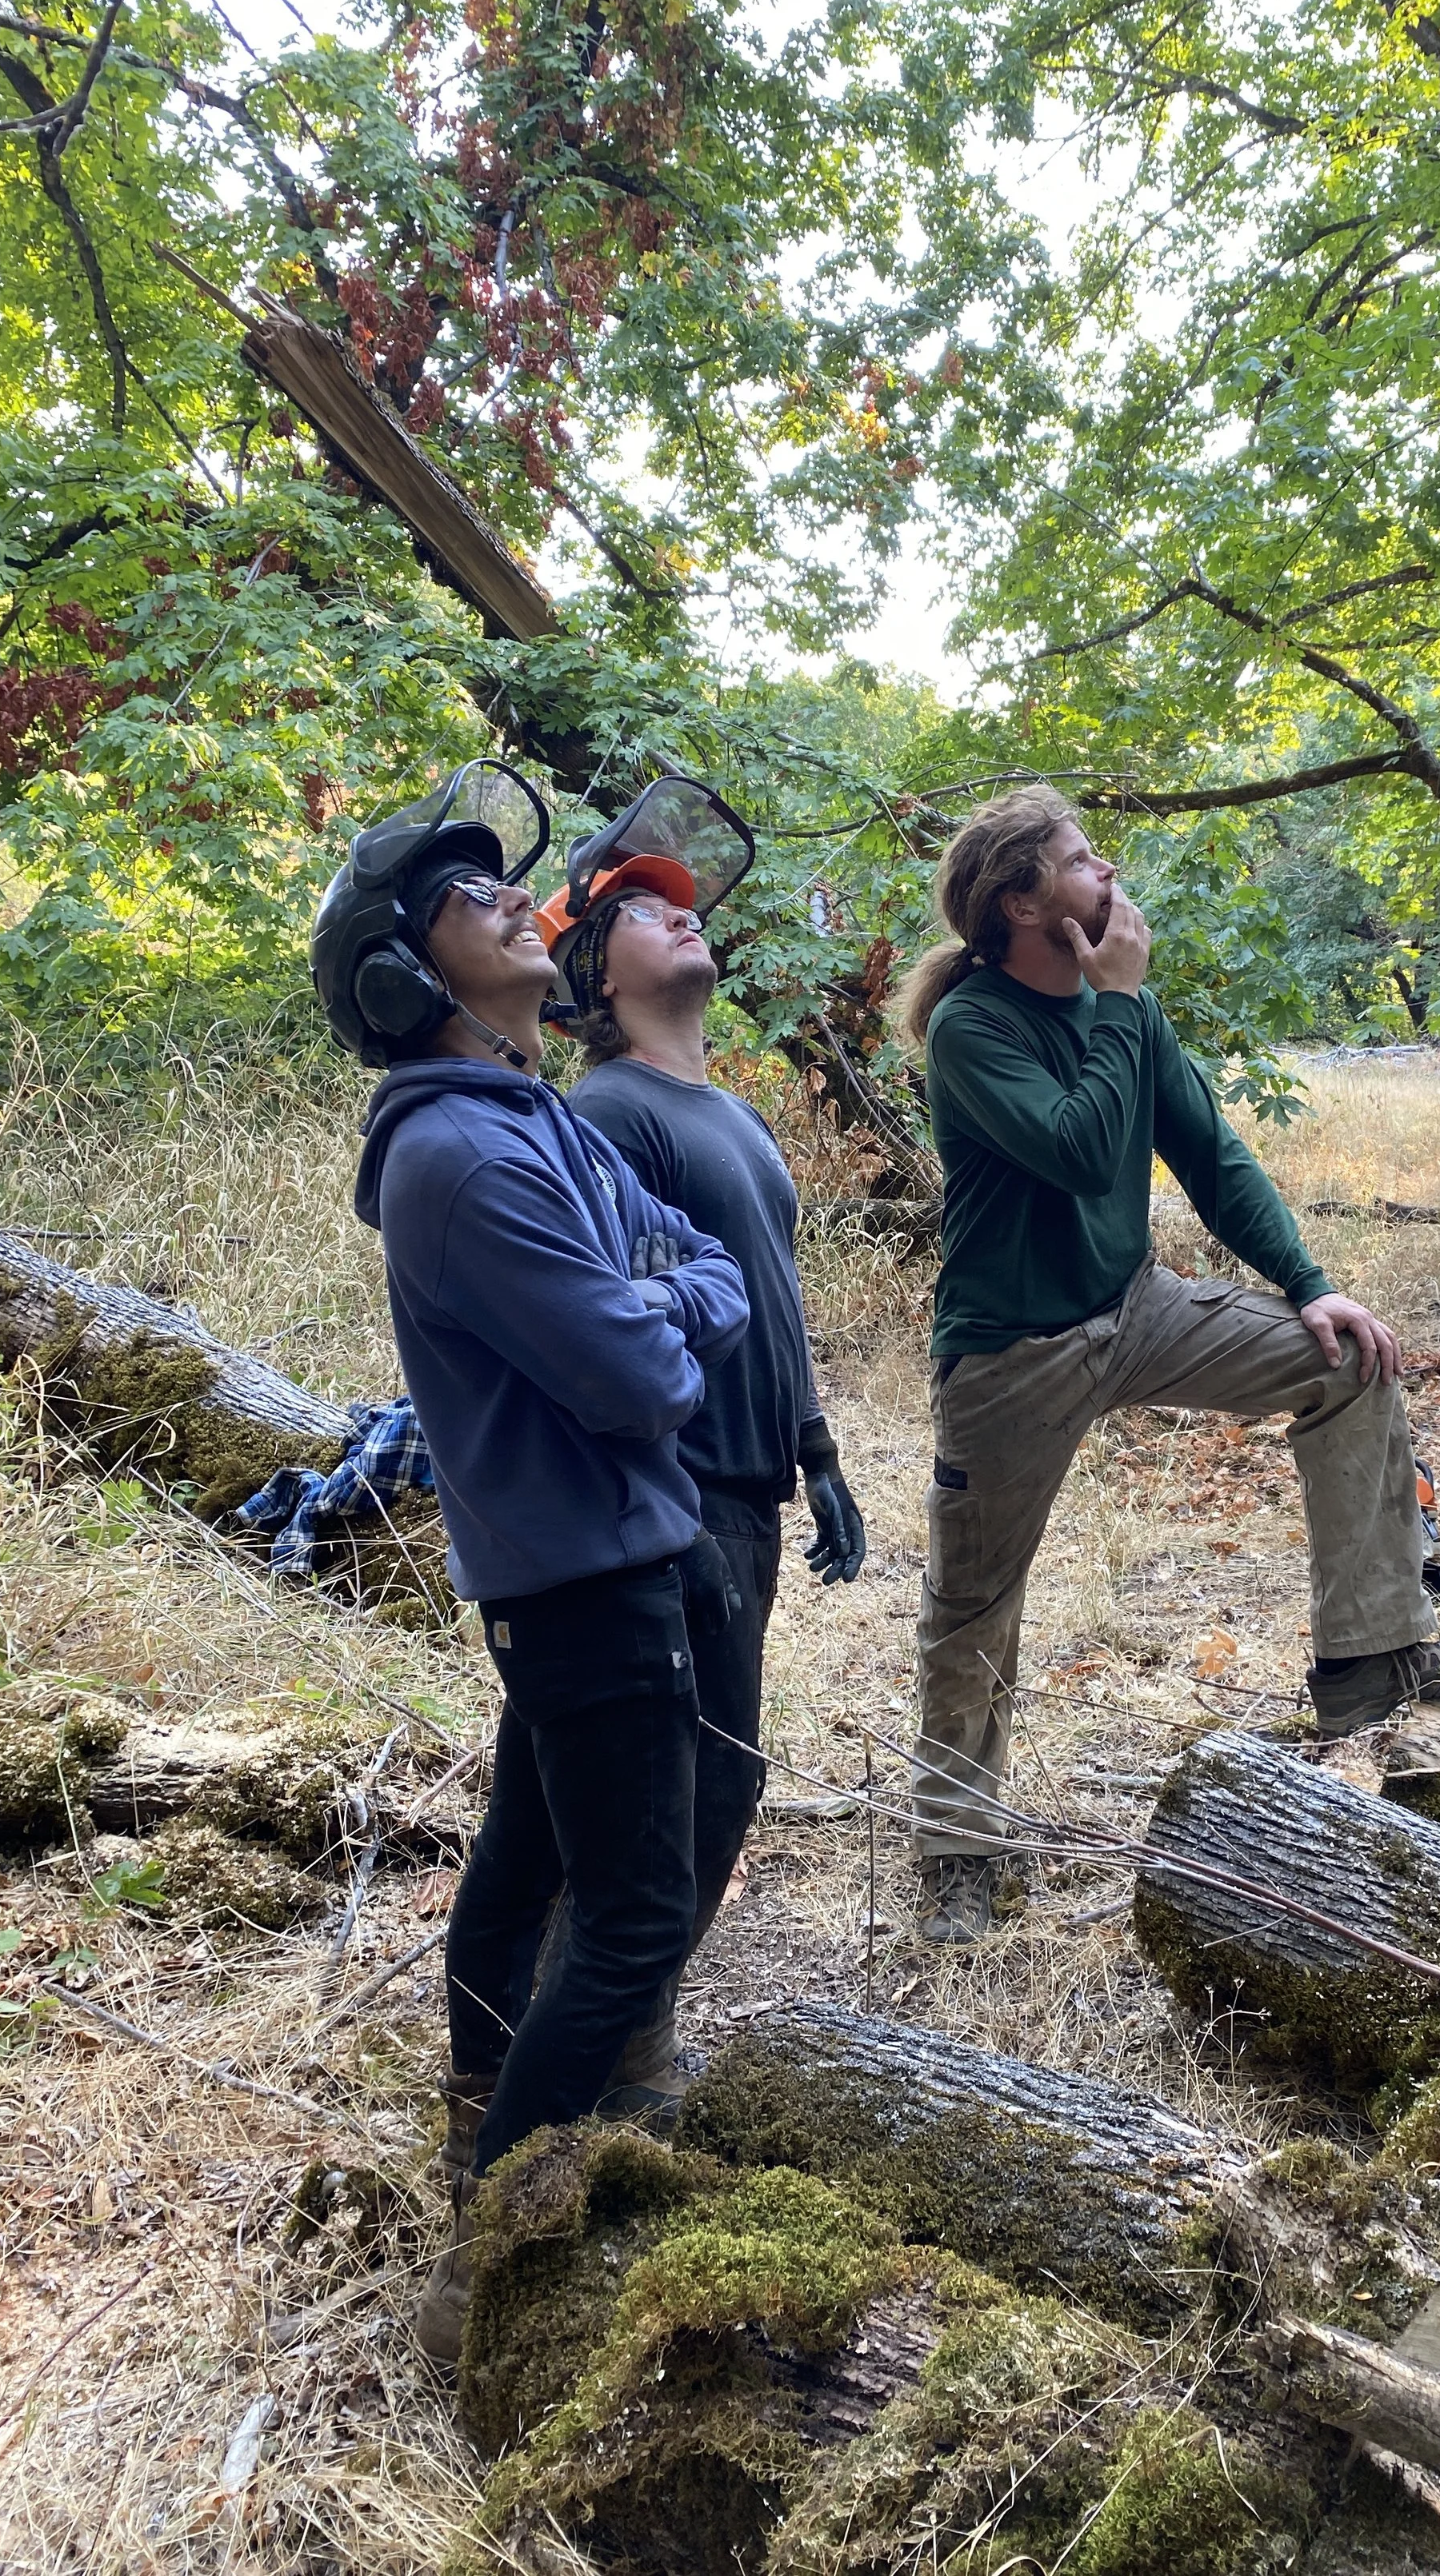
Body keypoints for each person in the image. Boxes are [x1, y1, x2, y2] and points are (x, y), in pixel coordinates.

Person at [898, 787, 1440, 1945]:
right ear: (1023, 901)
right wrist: (1117, 1001)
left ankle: (1370, 1665)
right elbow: (1078, 1151)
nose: (1107, 868)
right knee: (972, 1604)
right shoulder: (975, 1027)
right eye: (1081, 859)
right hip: (1011, 1354)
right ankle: (958, 1848)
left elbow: (1213, 1161)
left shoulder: (1129, 1013)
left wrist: (1312, 1282)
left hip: (1138, 1307)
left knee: (1350, 1365)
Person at [311, 777, 750, 2365]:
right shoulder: (460, 1166)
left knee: (517, 1857)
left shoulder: (537, 1117)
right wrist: (673, 1313)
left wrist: (668, 1304)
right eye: (464, 895)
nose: (513, 901)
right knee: (632, 1919)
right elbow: (642, 1374)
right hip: (586, 1581)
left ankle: (471, 2103)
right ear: (402, 977)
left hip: (600, 1556)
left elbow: (685, 1259)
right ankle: (493, 2236)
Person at [532, 842, 866, 2107]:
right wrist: (664, 1512)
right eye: (634, 913)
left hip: (751, 1489)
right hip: (681, 1498)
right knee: (686, 1791)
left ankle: (602, 2042)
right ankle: (610, 2068)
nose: (674, 915)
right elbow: (606, 1325)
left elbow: (768, 1301)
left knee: (694, 1781)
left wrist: (820, 1450)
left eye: (678, 902)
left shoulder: (726, 1111)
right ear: (590, 984)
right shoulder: (610, 1112)